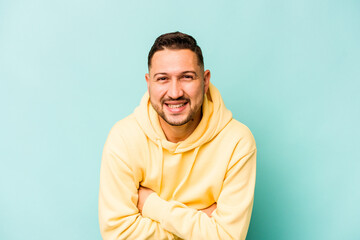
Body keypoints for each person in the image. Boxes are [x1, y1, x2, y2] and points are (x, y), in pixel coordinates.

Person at [98, 31, 256, 240]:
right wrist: (202, 224)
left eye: (187, 77)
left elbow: (227, 237)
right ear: (149, 83)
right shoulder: (124, 139)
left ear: (205, 80)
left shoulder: (237, 141)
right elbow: (118, 235)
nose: (174, 92)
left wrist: (152, 206)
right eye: (163, 79)